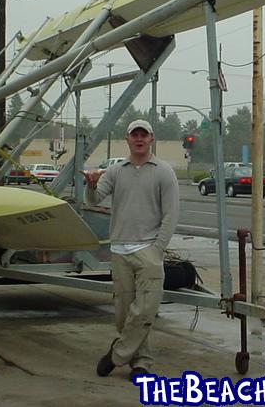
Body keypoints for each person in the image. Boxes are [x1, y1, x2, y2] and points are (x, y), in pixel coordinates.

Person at [84, 119, 179, 382]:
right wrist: (91, 184)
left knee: (145, 309)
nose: (139, 139)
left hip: (148, 249)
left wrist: (157, 249)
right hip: (120, 250)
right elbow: (93, 200)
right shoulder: (116, 171)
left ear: (151, 139)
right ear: (127, 139)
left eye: (144, 135)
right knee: (124, 313)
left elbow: (171, 215)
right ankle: (140, 364)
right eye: (134, 135)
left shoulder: (163, 171)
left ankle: (117, 356)